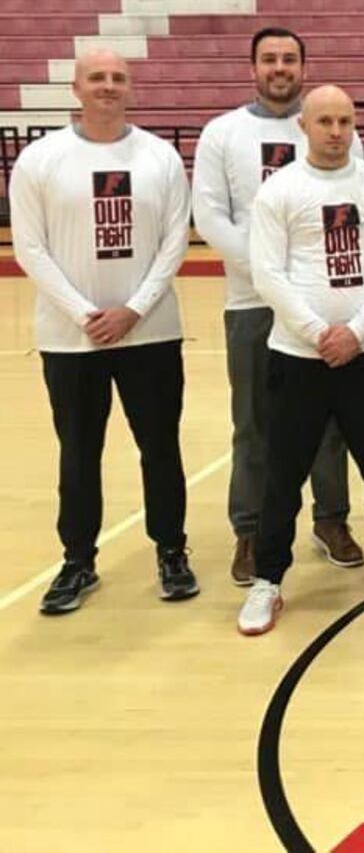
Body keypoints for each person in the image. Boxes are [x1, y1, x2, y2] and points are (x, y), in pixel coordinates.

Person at [238, 85, 364, 635]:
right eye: (324, 121)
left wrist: (357, 331)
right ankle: (268, 581)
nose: (336, 131)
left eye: (345, 121)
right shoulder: (281, 190)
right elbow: (268, 273)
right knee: (284, 475)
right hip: (298, 356)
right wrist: (320, 332)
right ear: (303, 125)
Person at [15, 49, 197, 614]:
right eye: (98, 78)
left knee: (160, 448)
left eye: (118, 78)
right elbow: (30, 248)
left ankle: (171, 550)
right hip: (72, 339)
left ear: (131, 87)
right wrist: (83, 313)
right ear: (76, 88)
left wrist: (134, 309)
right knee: (78, 451)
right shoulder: (40, 159)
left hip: (151, 331)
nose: (109, 87)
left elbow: (175, 241)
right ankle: (77, 560)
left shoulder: (160, 157)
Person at [192, 27, 360, 587]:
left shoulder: (333, 128)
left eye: (289, 59)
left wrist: (303, 286)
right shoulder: (223, 133)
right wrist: (271, 278)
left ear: (304, 67)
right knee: (255, 424)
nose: (279, 67)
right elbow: (212, 217)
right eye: (270, 59)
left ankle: (331, 520)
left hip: (324, 305)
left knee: (329, 423)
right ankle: (252, 529)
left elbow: (347, 208)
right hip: (252, 303)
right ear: (253, 68)